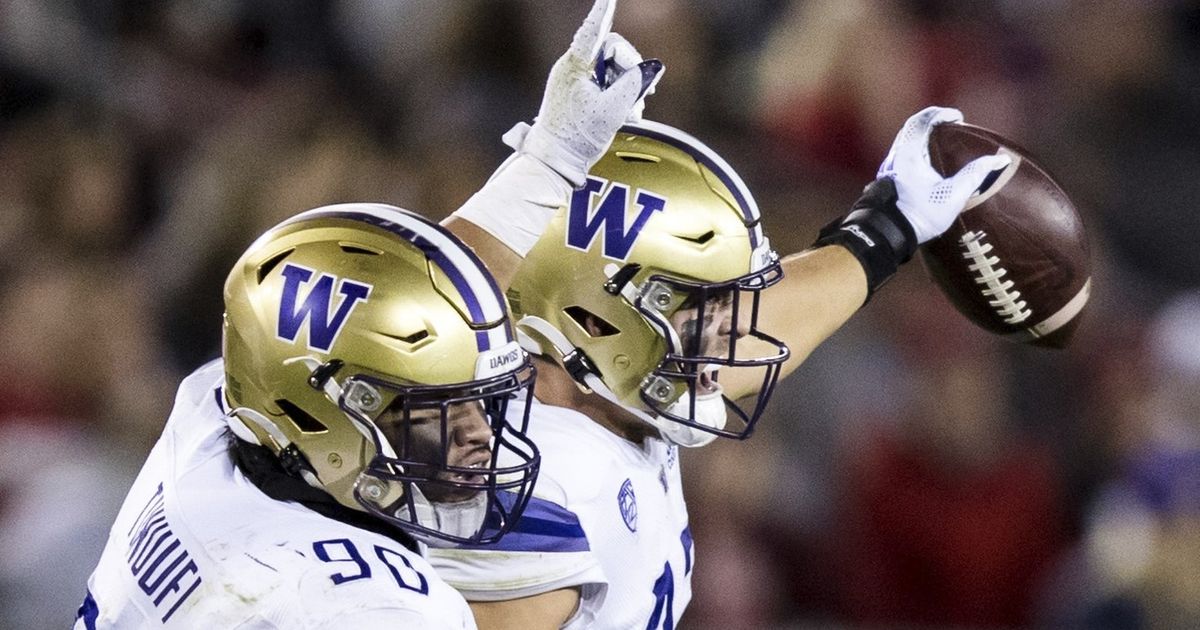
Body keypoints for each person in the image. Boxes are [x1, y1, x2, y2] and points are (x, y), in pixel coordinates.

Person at [433, 0, 1011, 626]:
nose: (735, 332)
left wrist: (886, 228)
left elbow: (741, 329)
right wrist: (546, 160)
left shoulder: (606, 401)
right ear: (597, 324)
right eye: (703, 309)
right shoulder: (531, 478)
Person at [73, 203, 542, 629]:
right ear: (320, 416)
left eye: (477, 401)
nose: (479, 432)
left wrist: (553, 159)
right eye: (433, 409)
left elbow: (411, 313)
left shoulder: (220, 414)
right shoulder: (366, 606)